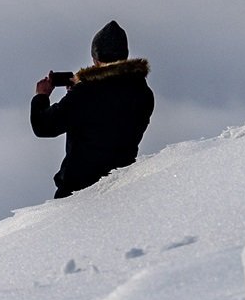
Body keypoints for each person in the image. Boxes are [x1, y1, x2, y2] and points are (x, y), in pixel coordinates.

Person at [31, 20, 154, 198]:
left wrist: (41, 96)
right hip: (122, 185)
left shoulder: (87, 93)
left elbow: (44, 126)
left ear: (96, 59)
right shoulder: (143, 92)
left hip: (80, 190)